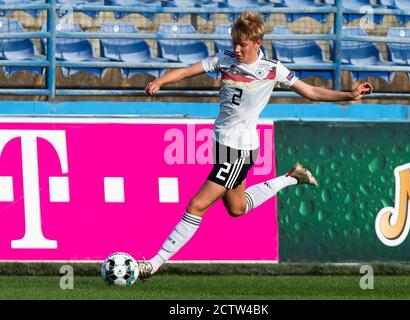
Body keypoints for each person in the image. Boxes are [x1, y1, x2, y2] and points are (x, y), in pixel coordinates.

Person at [139, 11, 373, 279]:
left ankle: (153, 264)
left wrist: (349, 95)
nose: (237, 49)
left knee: (196, 206)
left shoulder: (272, 69)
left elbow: (311, 92)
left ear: (258, 42)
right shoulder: (224, 59)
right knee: (237, 208)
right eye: (235, 43)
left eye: (243, 45)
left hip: (239, 150)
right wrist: (160, 81)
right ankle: (292, 177)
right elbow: (187, 71)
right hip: (222, 144)